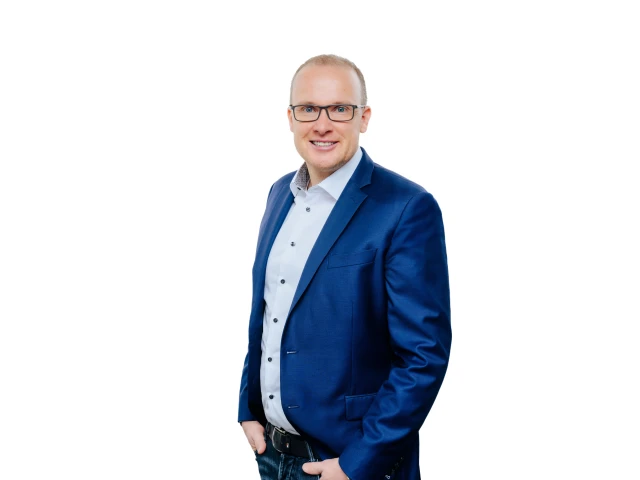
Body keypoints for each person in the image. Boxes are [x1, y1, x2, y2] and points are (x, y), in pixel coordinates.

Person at [238, 54, 451, 480]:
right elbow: (270, 311)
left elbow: (423, 355)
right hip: (272, 455)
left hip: (348, 462)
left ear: (363, 118)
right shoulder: (280, 193)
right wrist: (249, 407)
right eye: (308, 109)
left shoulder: (406, 207)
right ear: (291, 117)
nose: (322, 124)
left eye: (339, 109)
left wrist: (359, 463)